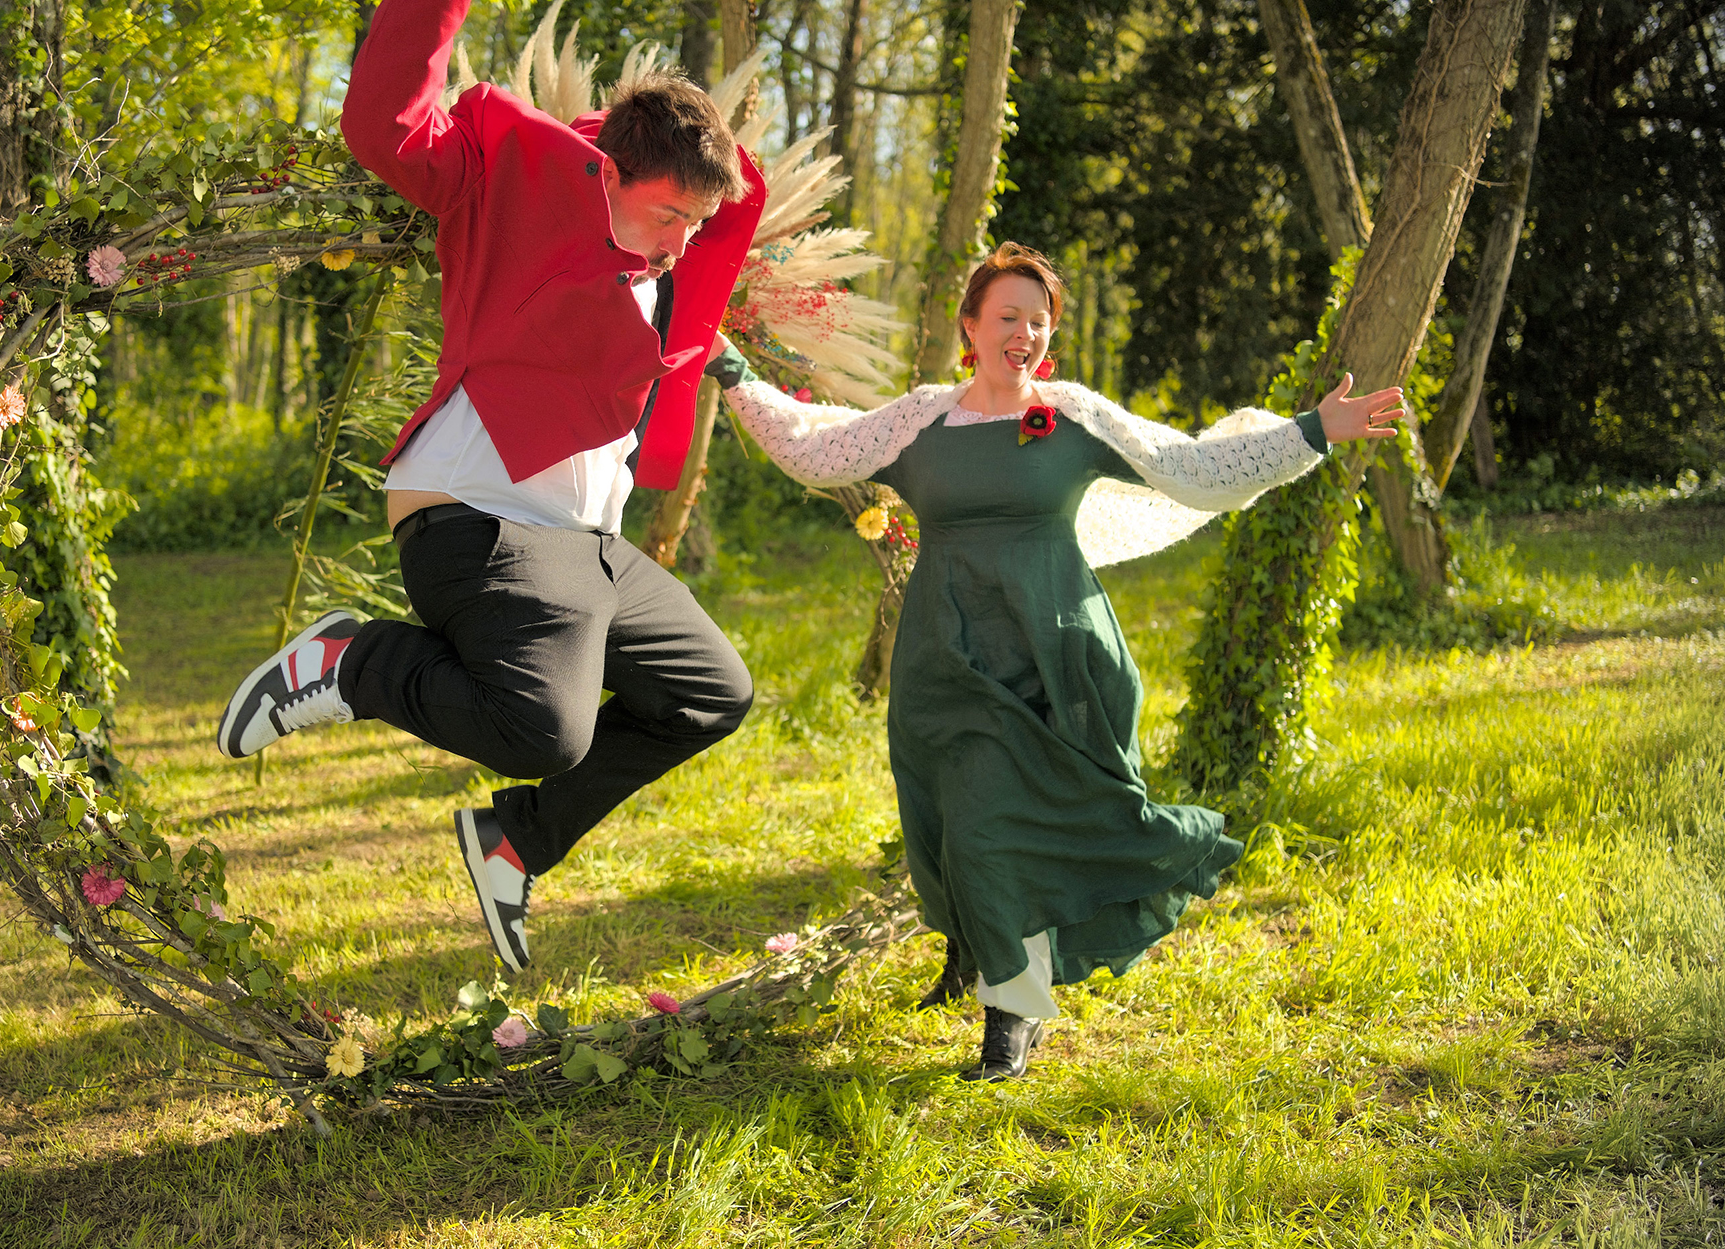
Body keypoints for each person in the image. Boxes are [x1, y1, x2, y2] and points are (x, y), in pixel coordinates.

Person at [707, 243, 1404, 1081]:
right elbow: (814, 445)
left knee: (1019, 819)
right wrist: (730, 368)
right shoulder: (919, 422)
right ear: (970, 326)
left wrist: (1312, 431)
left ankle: (1012, 1011)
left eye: (1039, 321)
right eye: (1008, 316)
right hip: (947, 658)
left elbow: (1192, 466)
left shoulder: (1073, 416)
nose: (1026, 333)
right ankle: (995, 967)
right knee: (965, 821)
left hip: (1057, 652)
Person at [214, 0, 768, 974]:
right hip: (480, 512)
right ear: (608, 171)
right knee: (542, 732)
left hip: (588, 542)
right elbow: (383, 126)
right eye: (669, 215)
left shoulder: (662, 262)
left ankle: (516, 840)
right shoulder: (509, 182)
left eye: (695, 222)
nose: (681, 241)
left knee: (710, 692)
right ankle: (350, 664)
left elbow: (691, 256)